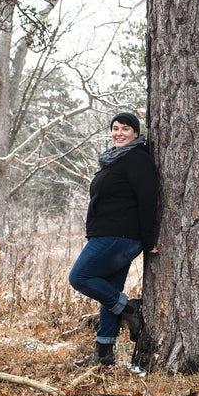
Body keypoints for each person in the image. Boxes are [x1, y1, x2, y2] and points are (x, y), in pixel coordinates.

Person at [69, 112, 158, 367]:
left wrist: (148, 238)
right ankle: (104, 353)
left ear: (136, 133)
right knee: (110, 293)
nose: (119, 133)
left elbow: (148, 200)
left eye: (125, 129)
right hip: (112, 234)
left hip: (119, 236)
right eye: (115, 128)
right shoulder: (115, 160)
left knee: (80, 277)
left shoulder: (137, 159)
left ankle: (129, 309)